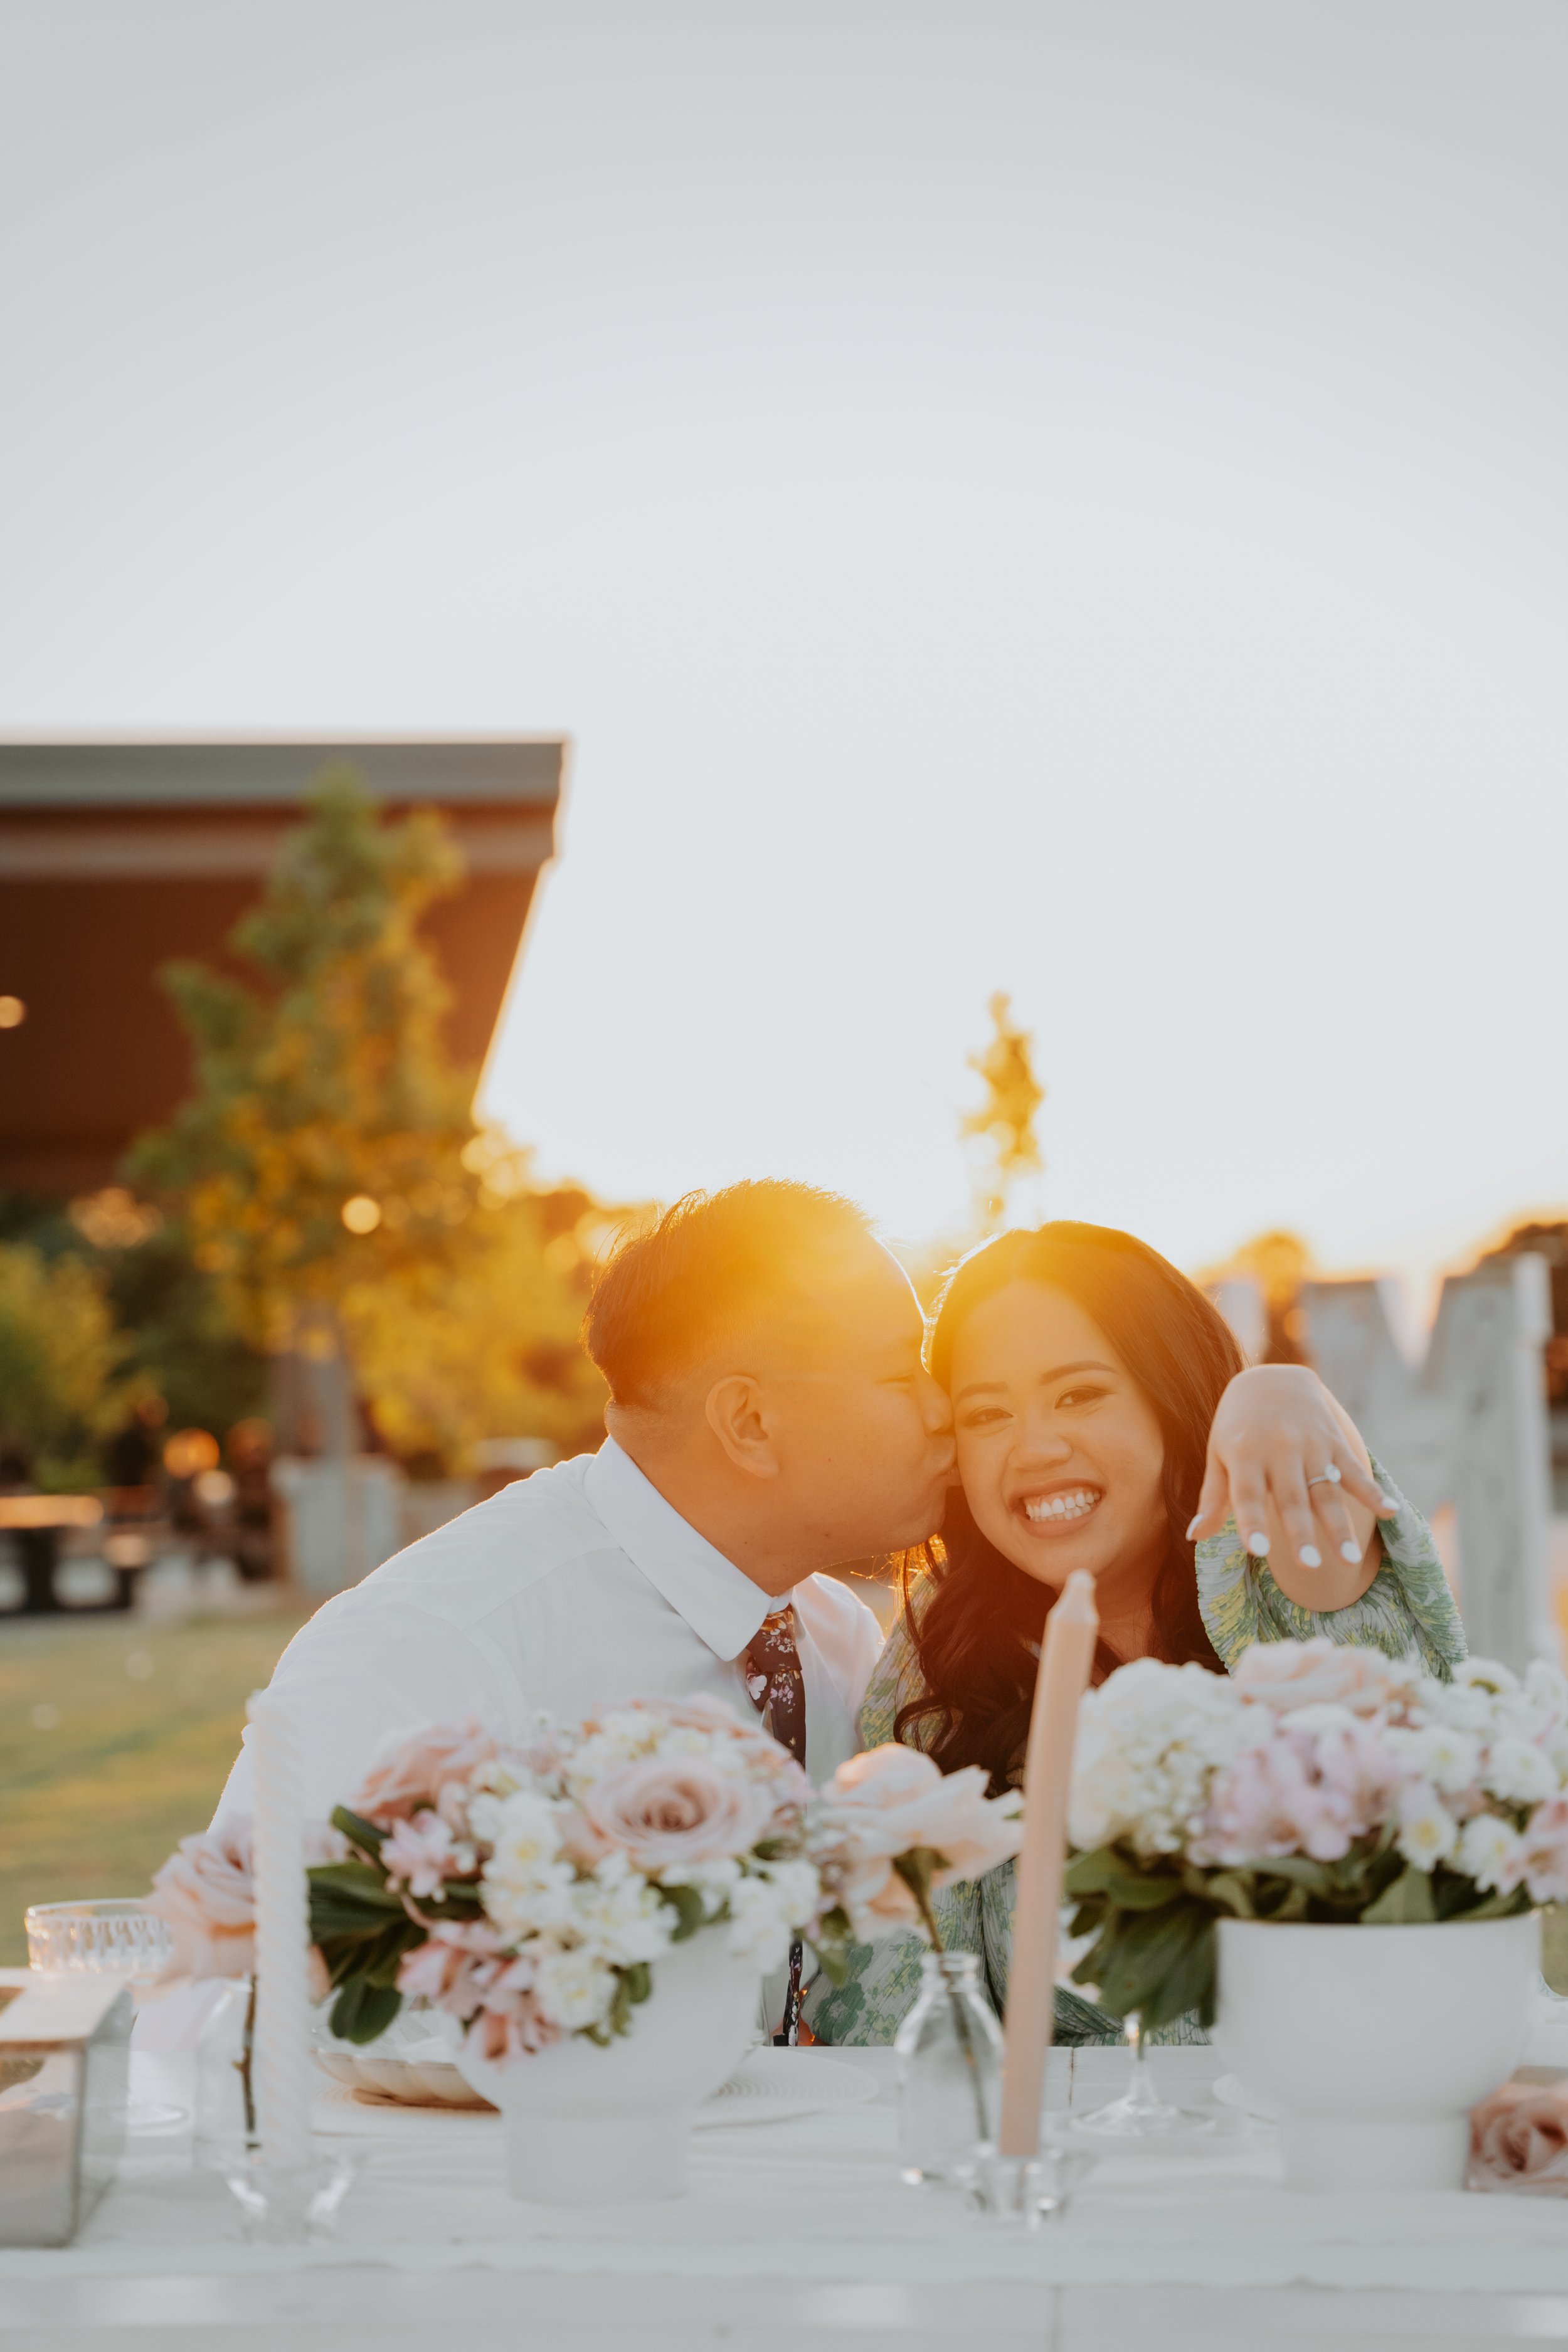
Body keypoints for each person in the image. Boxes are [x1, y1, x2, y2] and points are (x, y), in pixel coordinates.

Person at [808, 1221, 1463, 2047]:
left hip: (1342, 2113)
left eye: (1079, 1393)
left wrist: (1276, 1388)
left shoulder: (1280, 1559)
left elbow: (1420, 1819)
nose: (1035, 1446)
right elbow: (890, 1987)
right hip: (1072, 2155)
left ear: (1171, 1393)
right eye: (987, 1413)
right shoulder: (945, 1650)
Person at [216, 1181, 952, 1823]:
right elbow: (243, 1973)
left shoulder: (840, 1644)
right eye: (899, 1372)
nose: (941, 1407)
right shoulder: (432, 1658)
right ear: (749, 1424)